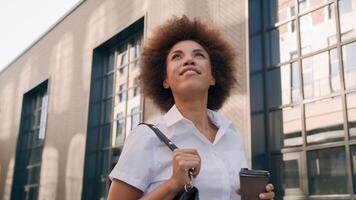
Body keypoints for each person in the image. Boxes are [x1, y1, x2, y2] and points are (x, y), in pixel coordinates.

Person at [107, 15, 274, 200]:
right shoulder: (146, 138)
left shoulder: (232, 136)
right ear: (165, 80)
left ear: (212, 77)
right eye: (177, 57)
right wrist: (172, 185)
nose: (188, 60)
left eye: (199, 55)